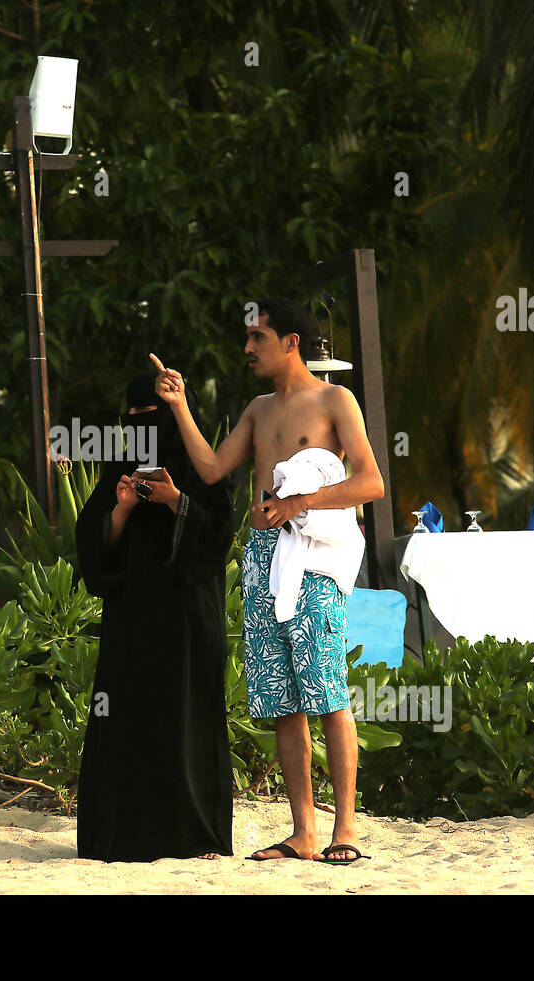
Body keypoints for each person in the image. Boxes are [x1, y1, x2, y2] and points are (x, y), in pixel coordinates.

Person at [150, 297, 385, 864]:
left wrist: (301, 500)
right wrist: (180, 406)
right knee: (283, 701)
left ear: (290, 342)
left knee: (327, 692)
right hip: (261, 559)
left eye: (258, 337)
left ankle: (345, 830)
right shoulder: (257, 409)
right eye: (247, 337)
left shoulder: (335, 399)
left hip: (312, 563)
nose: (248, 347)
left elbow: (372, 482)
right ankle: (303, 833)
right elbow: (211, 468)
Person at [75, 370, 235, 862]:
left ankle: (196, 837)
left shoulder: (203, 464)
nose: (144, 426)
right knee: (127, 715)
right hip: (133, 622)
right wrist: (122, 509)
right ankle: (121, 838)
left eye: (154, 416)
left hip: (188, 618)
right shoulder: (121, 463)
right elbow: (94, 544)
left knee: (187, 718)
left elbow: (218, 535)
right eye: (136, 418)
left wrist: (174, 502)